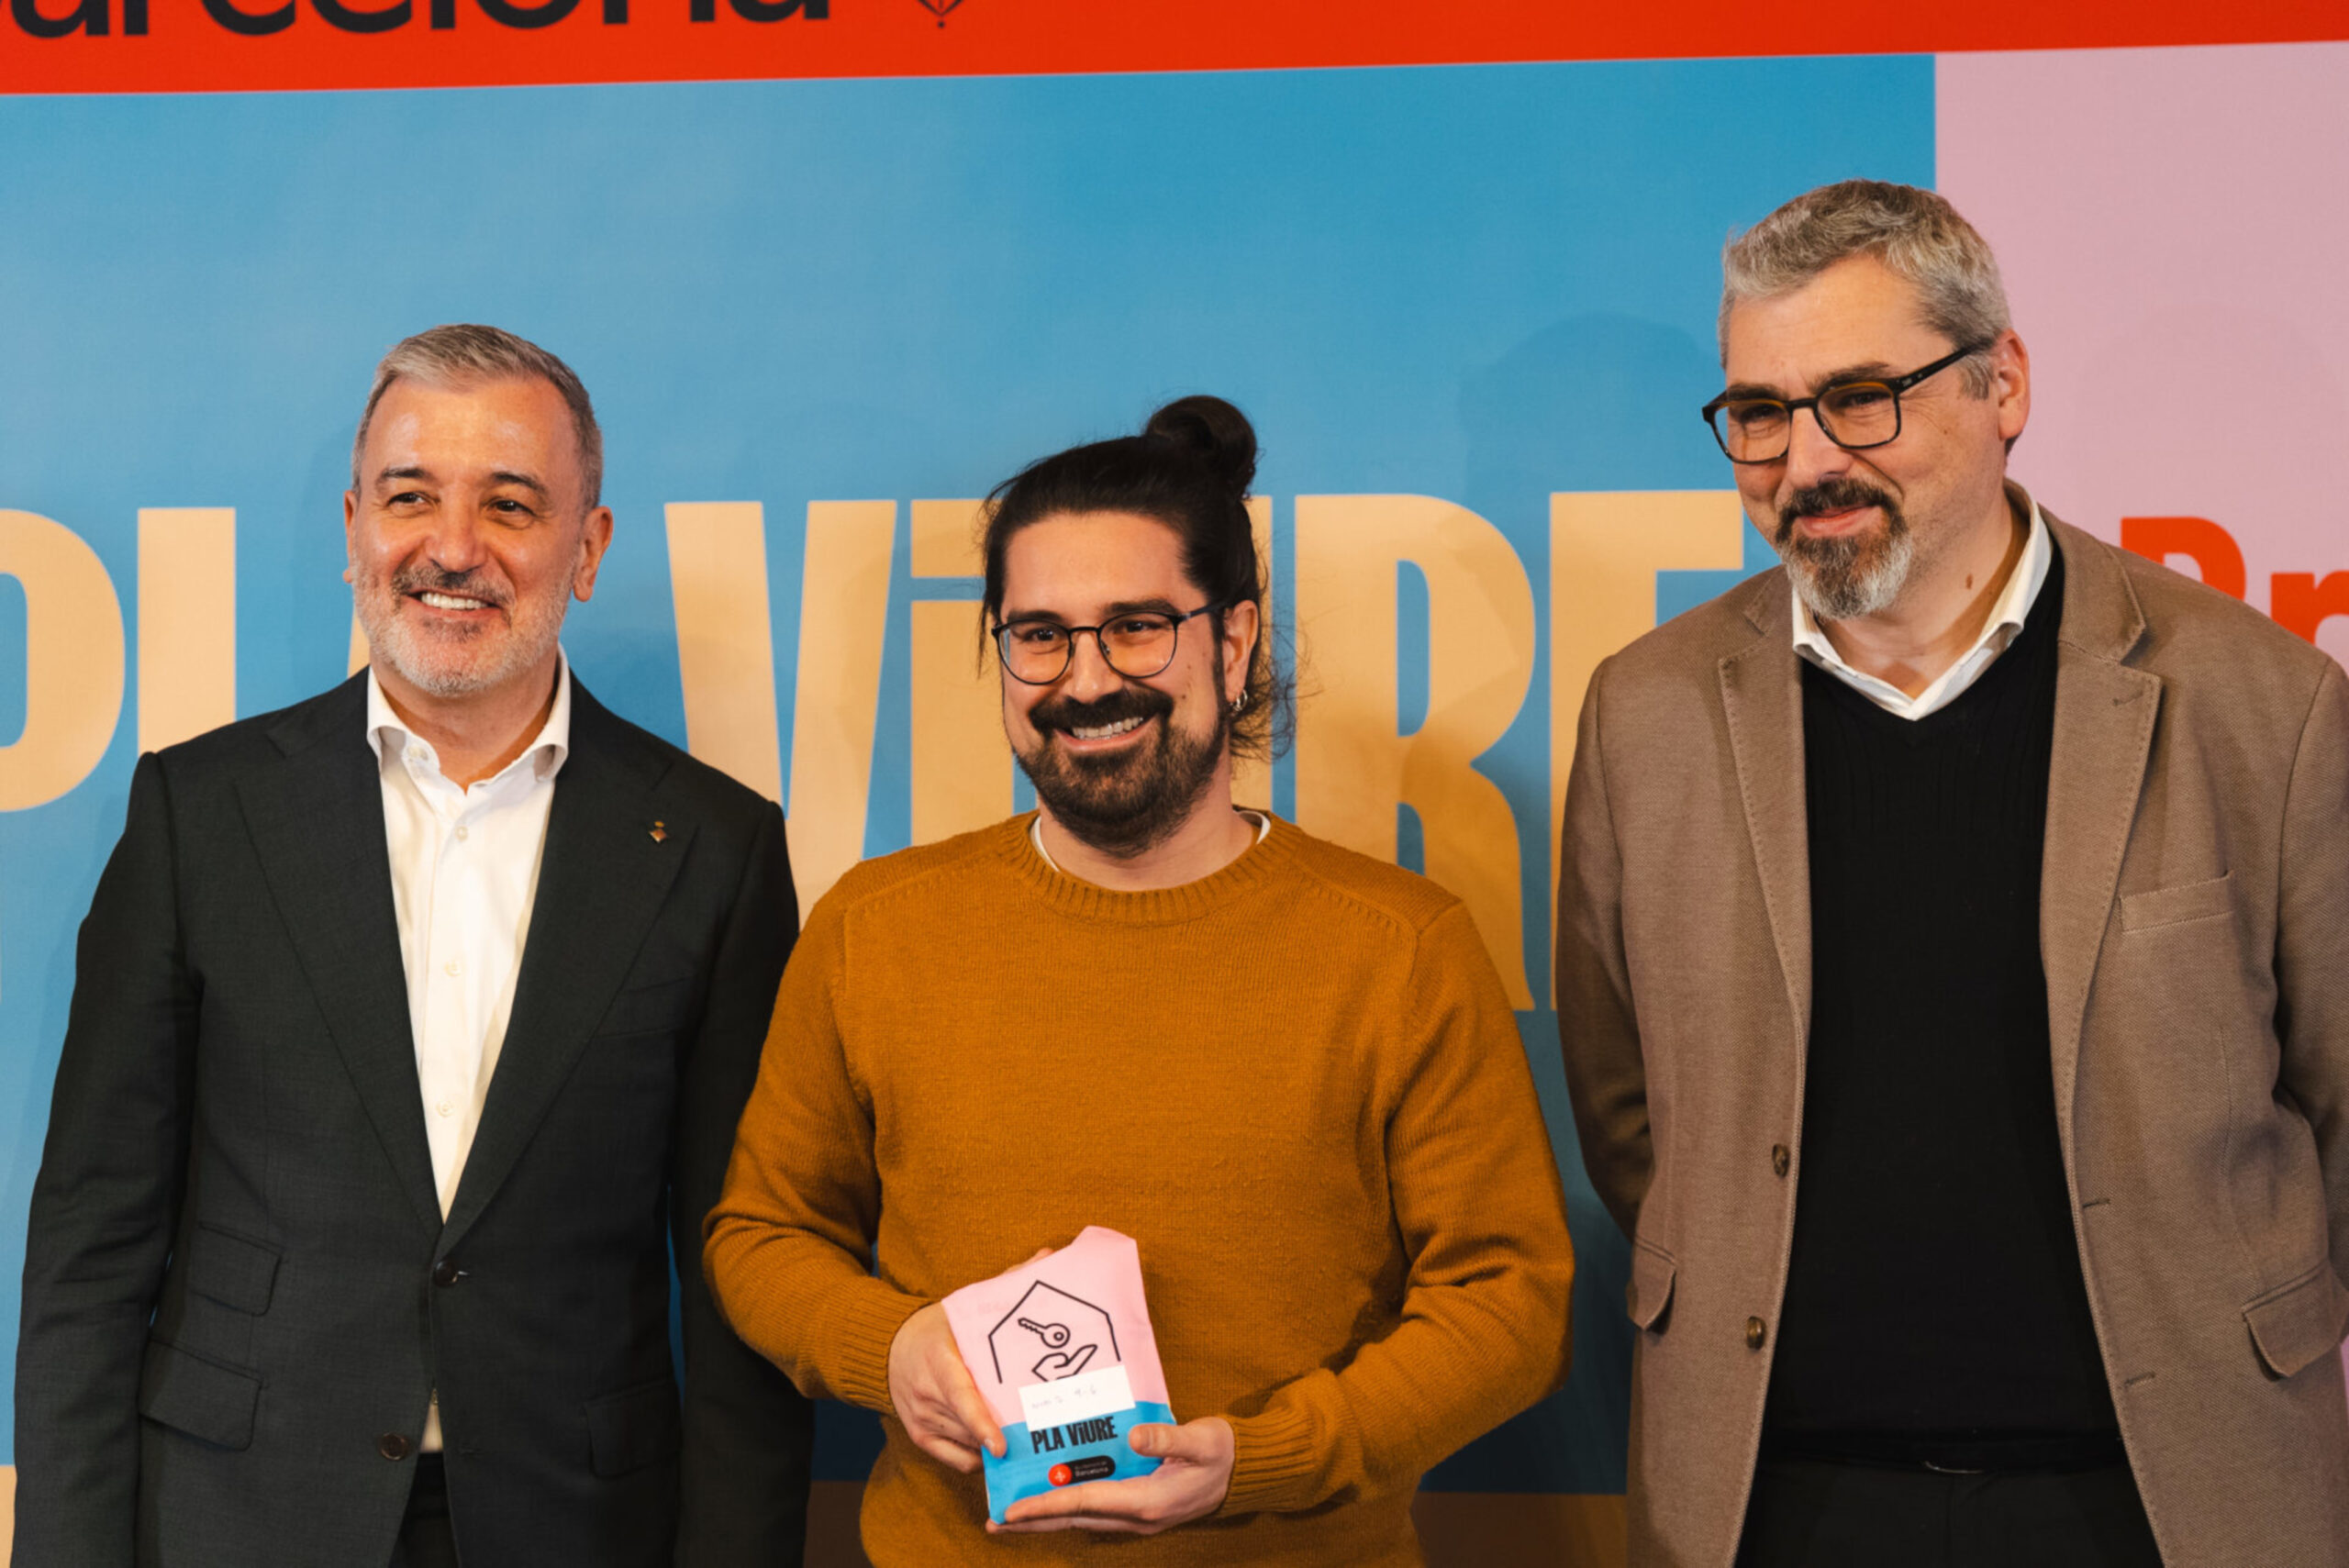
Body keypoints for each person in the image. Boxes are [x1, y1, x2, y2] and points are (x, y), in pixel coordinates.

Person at [1555, 177, 2349, 1567]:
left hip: (2165, 1497)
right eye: (1760, 412)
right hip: (1774, 1498)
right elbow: (1632, 1117)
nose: (1808, 461)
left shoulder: (2261, 703)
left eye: (1862, 398)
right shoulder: (1646, 714)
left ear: (2004, 385)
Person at [705, 395, 1575, 1564]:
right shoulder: (876, 925)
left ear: (1234, 640)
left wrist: (1264, 1455)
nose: (1086, 680)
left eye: (1136, 627)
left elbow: (1510, 1302)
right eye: (1039, 634)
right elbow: (762, 1232)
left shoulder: (1399, 946)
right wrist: (891, 1345)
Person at [16, 325, 813, 1568]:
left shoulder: (715, 847)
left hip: (576, 1525)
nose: (452, 547)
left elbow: (740, 1272)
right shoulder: (203, 814)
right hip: (238, 1519)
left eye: (510, 503)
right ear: (353, 528)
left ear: (588, 548)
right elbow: (93, 1241)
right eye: (408, 497)